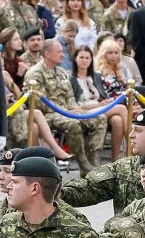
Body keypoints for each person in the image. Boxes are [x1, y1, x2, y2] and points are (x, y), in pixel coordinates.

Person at [23, 39, 107, 175]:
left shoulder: (61, 72)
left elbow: (70, 98)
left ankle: (95, 162)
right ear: (48, 54)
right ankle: (84, 165)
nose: (63, 55)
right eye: (59, 52)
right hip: (49, 115)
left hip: (68, 111)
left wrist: (75, 110)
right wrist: (67, 112)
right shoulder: (35, 74)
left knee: (100, 118)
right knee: (73, 123)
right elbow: (40, 104)